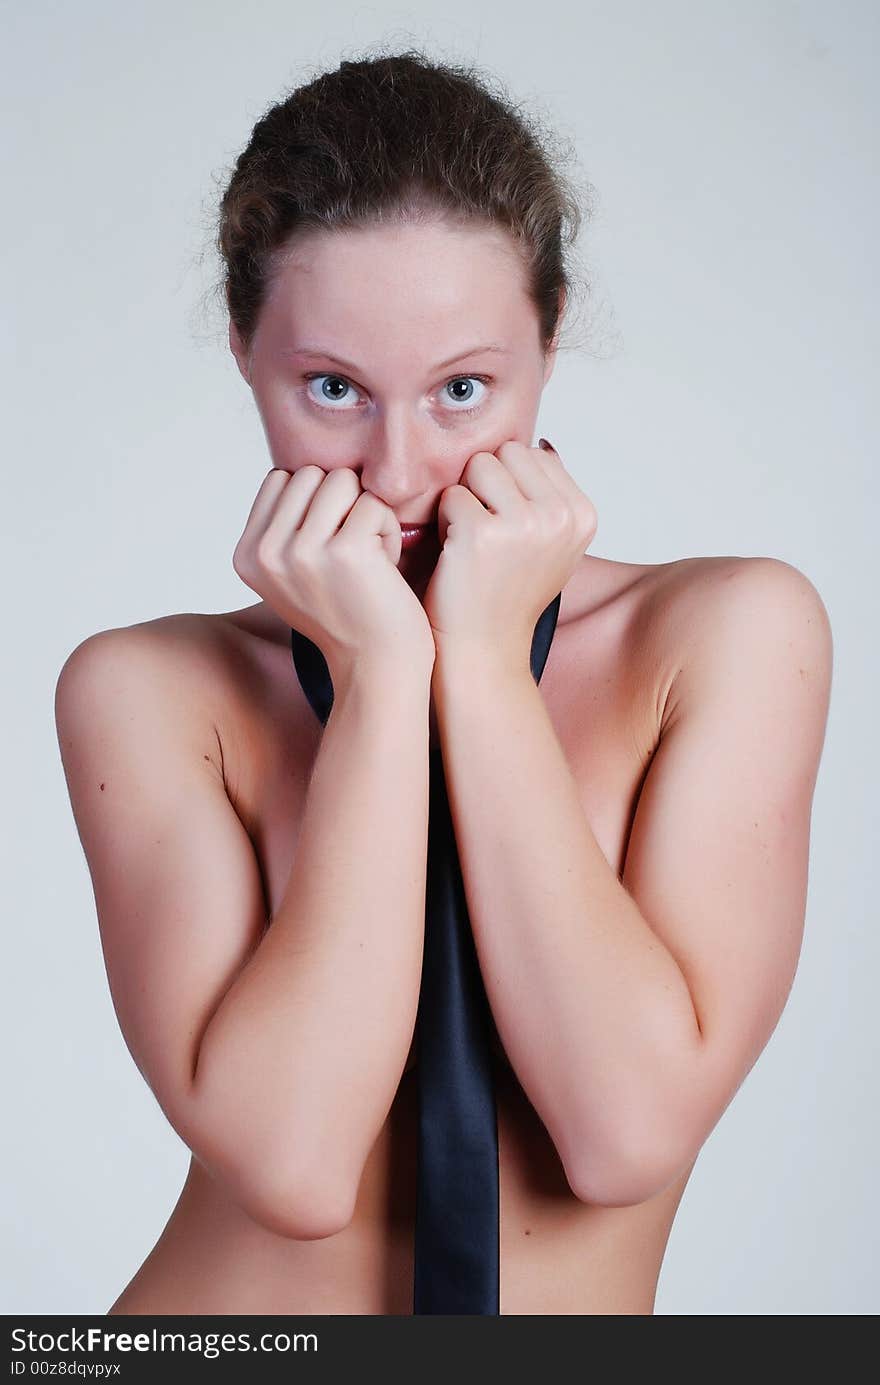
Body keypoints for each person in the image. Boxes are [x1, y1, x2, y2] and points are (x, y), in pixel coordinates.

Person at [54, 48, 833, 1316]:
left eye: (463, 389)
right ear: (246, 349)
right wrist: (380, 684)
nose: (400, 469)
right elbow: (295, 1165)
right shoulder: (152, 690)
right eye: (332, 390)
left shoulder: (721, 633)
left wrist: (478, 666)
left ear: (551, 335)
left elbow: (624, 1133)